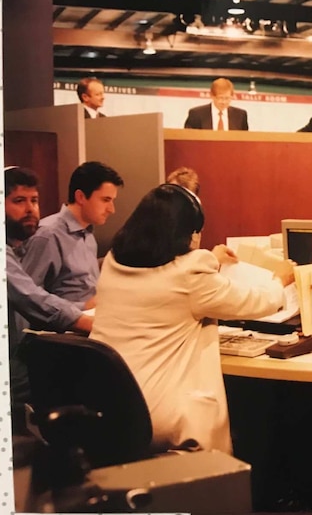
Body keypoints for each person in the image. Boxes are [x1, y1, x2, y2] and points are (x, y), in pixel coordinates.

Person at [89, 183, 296, 454]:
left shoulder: (115, 263)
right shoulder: (191, 273)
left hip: (111, 406)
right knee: (259, 420)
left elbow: (169, 281)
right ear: (185, 234)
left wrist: (211, 259)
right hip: (164, 414)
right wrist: (280, 280)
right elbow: (255, 301)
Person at [5, 167, 94, 432]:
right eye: (19, 201)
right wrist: (84, 320)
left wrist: (83, 311)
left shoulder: (17, 250)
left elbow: (40, 298)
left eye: (34, 200)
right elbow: (32, 298)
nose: (31, 209)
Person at [22, 161, 124, 313]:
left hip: (91, 317)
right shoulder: (48, 234)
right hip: (63, 329)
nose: (111, 209)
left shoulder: (87, 233)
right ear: (81, 197)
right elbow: (28, 296)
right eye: (105, 200)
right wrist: (81, 307)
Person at [184, 78, 249, 131]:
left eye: (227, 98)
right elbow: (188, 139)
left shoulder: (240, 115)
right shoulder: (196, 114)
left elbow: (244, 140)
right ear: (212, 96)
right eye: (220, 98)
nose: (224, 102)